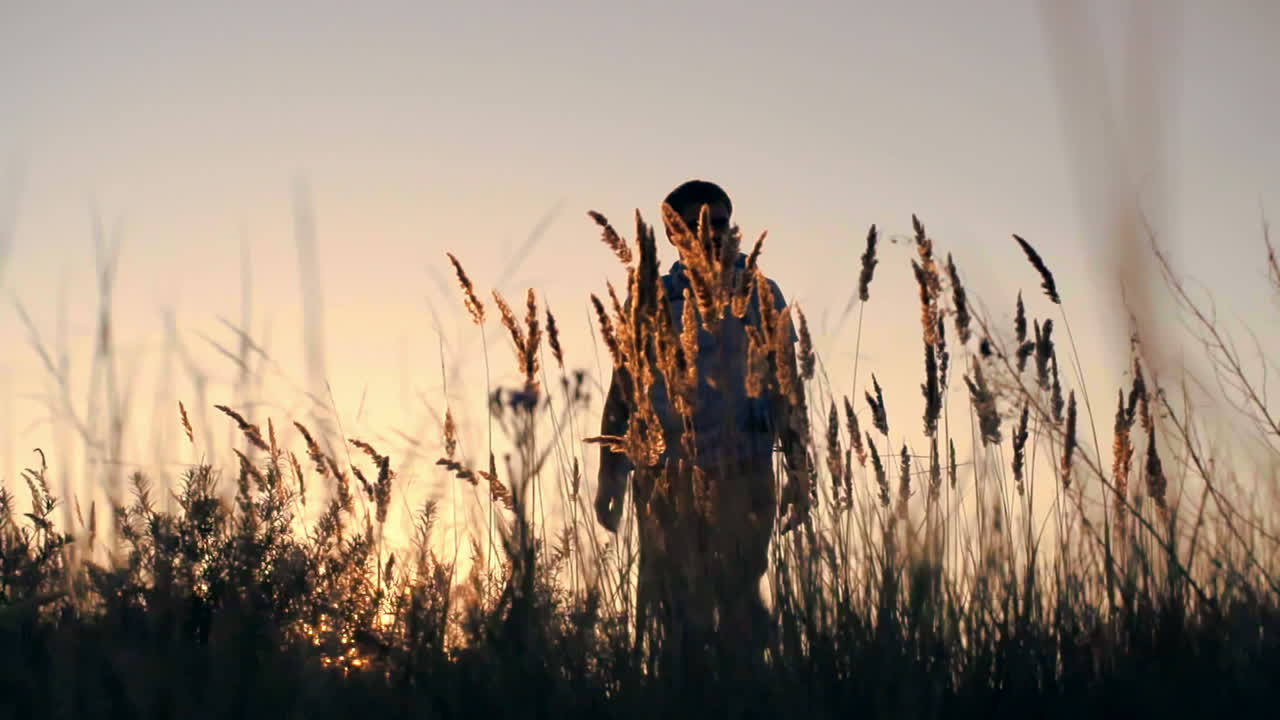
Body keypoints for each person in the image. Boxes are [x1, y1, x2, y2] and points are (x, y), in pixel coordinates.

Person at [593, 179, 809, 664]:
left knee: (738, 596)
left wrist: (799, 471)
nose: (711, 233)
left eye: (720, 223)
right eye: (695, 225)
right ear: (672, 233)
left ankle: (742, 690)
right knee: (670, 602)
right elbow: (623, 388)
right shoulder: (651, 296)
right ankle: (679, 689)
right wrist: (610, 473)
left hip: (744, 470)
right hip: (666, 474)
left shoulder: (760, 292)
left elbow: (788, 389)